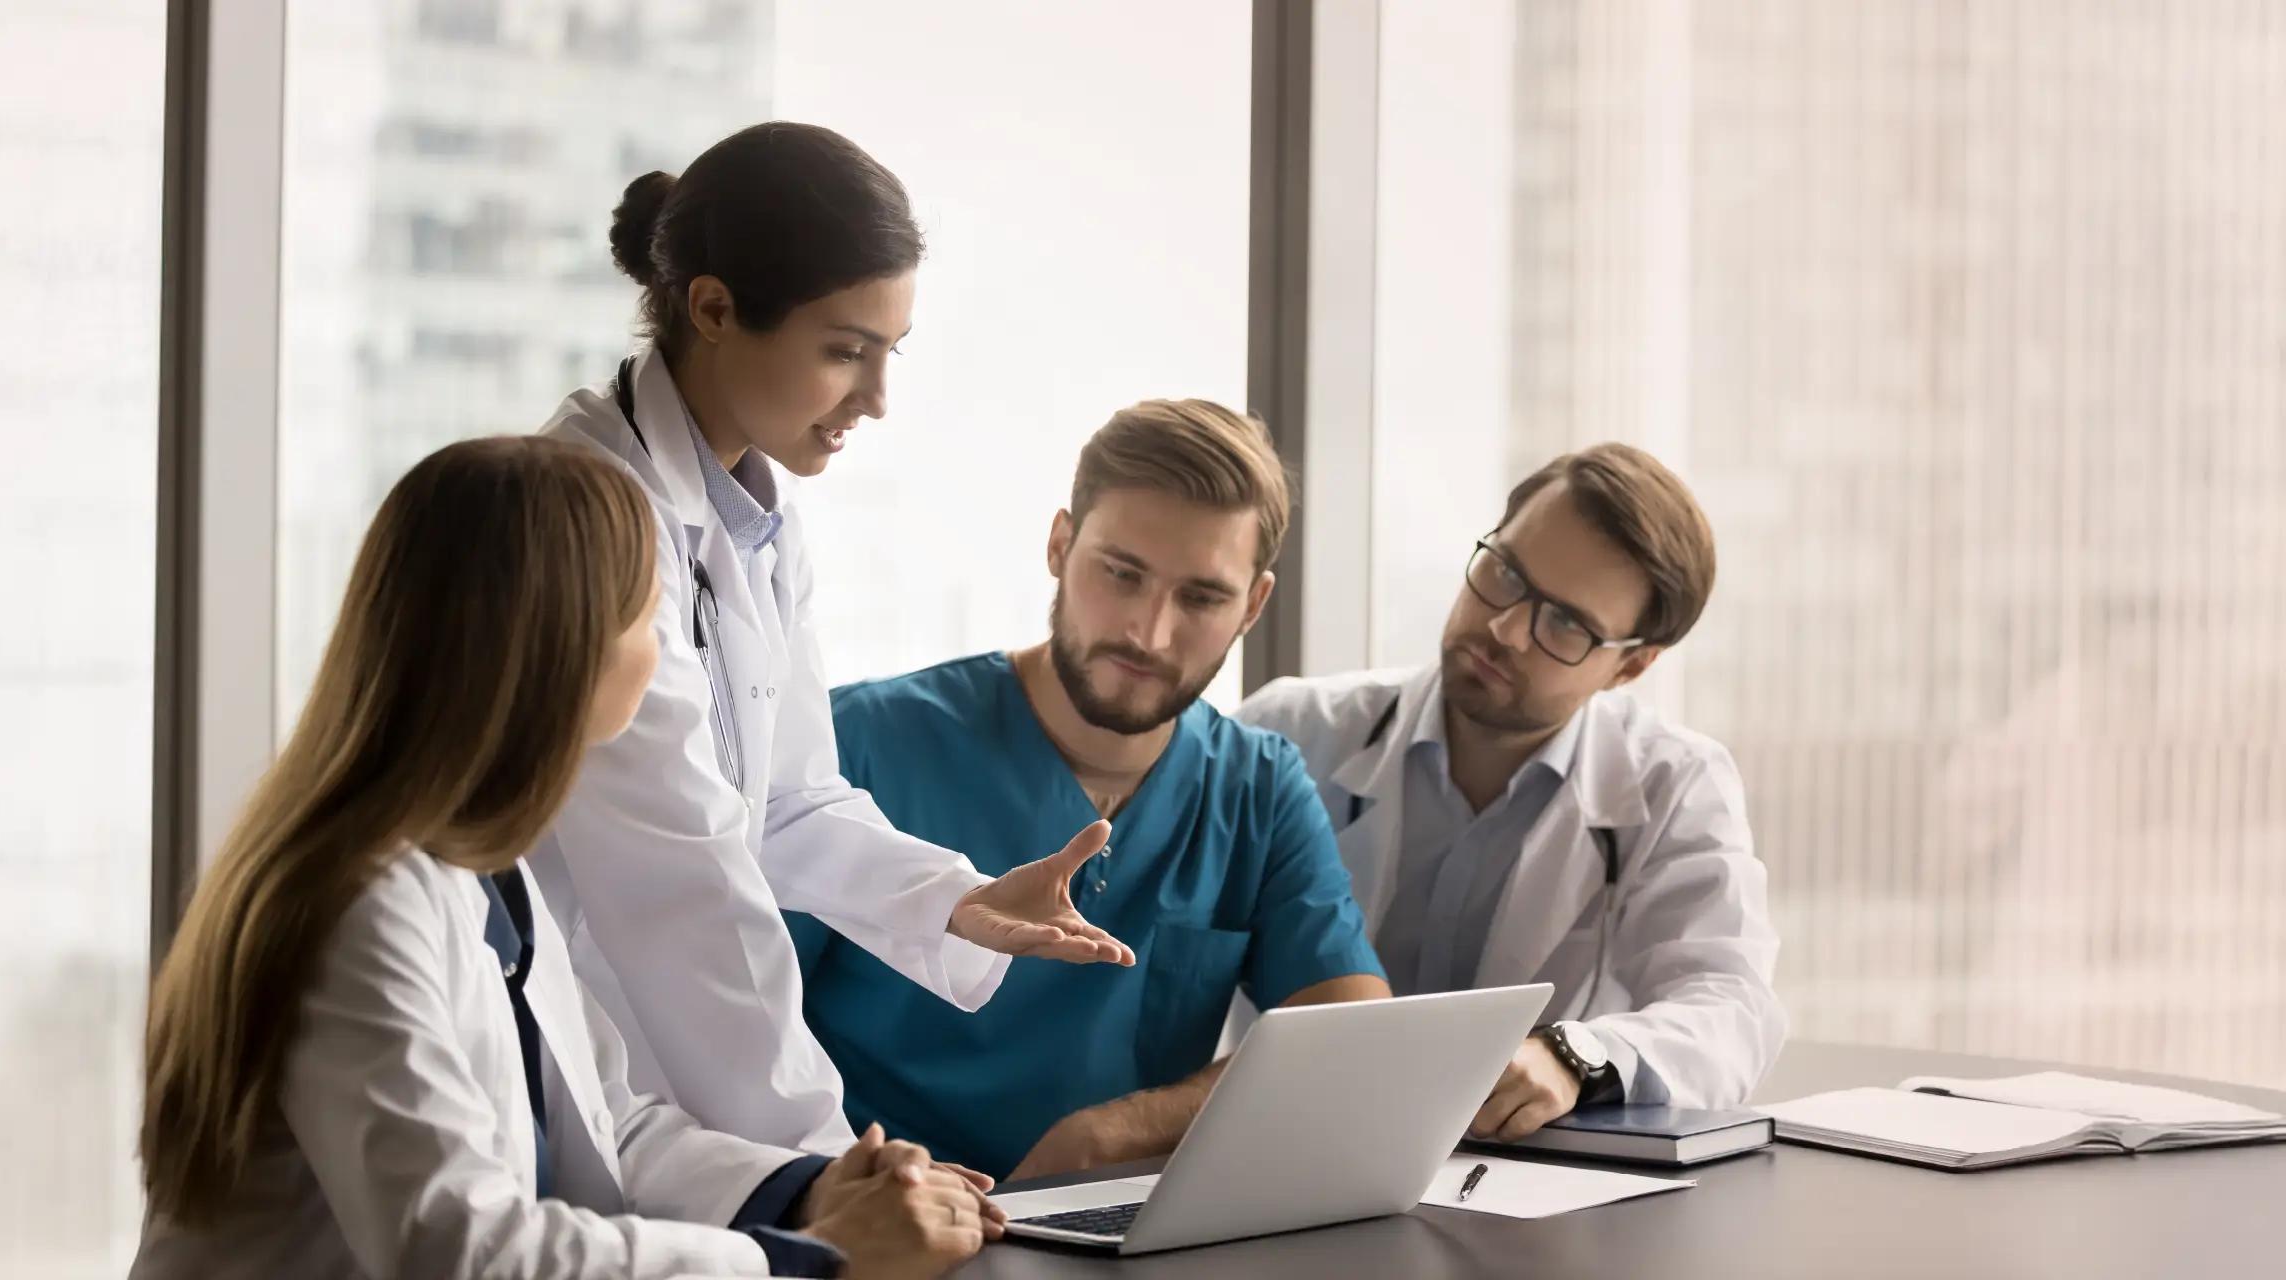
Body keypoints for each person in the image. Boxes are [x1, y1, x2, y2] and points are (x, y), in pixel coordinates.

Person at [131, 437, 998, 1279]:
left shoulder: (483, 870)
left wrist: (809, 1193)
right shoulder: (360, 903)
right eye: (642, 611)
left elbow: (606, 1122)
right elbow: (458, 1250)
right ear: (565, 648)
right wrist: (800, 1264)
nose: (661, 646)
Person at [530, 121, 1131, 1159]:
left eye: (888, 353)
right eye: (845, 351)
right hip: (570, 1052)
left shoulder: (756, 521)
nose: (877, 399)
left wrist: (962, 898)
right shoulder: (588, 516)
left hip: (664, 1079)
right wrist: (825, 1164)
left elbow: (790, 799)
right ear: (712, 308)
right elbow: (684, 885)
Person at [789, 401, 1388, 1180]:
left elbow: (1354, 1041)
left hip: (1111, 1237)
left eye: (1202, 597)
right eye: (1122, 573)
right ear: (1060, 544)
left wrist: (1112, 1133)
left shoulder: (1259, 787)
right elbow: (727, 1027)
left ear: (1254, 606)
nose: (1149, 631)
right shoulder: (856, 743)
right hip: (865, 1227)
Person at [1237, 443, 1785, 1141]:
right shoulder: (1291, 731)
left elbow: (1730, 1006)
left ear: (1631, 667)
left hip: (1521, 1194)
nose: (1504, 628)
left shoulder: (1672, 783)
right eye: (1504, 573)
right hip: (1287, 1154)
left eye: (1565, 625)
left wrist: (1579, 1054)